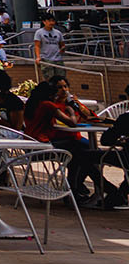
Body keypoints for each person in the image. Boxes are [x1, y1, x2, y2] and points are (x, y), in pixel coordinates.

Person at [23, 75, 117, 207]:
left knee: (82, 154)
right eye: (58, 89)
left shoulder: (33, 104)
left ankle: (76, 190)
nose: (62, 91)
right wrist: (71, 112)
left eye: (65, 87)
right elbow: (72, 123)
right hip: (45, 144)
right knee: (83, 154)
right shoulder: (48, 105)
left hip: (34, 144)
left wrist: (75, 104)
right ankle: (93, 188)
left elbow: (90, 116)